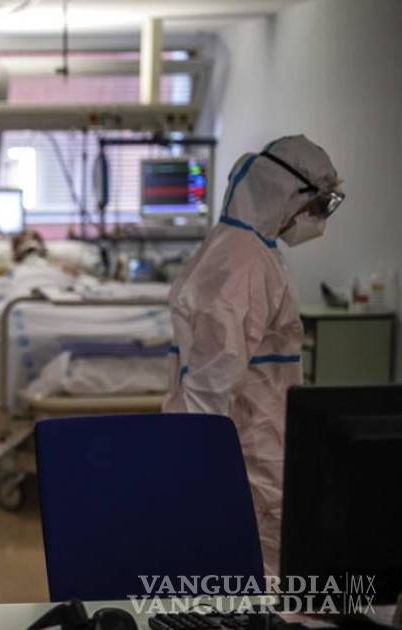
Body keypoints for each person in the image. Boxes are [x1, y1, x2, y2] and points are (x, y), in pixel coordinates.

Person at [163, 135, 343, 576]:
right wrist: (197, 469)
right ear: (288, 194)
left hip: (255, 443)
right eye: (318, 205)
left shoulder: (249, 250)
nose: (317, 219)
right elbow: (211, 382)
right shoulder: (244, 261)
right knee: (261, 576)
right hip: (249, 453)